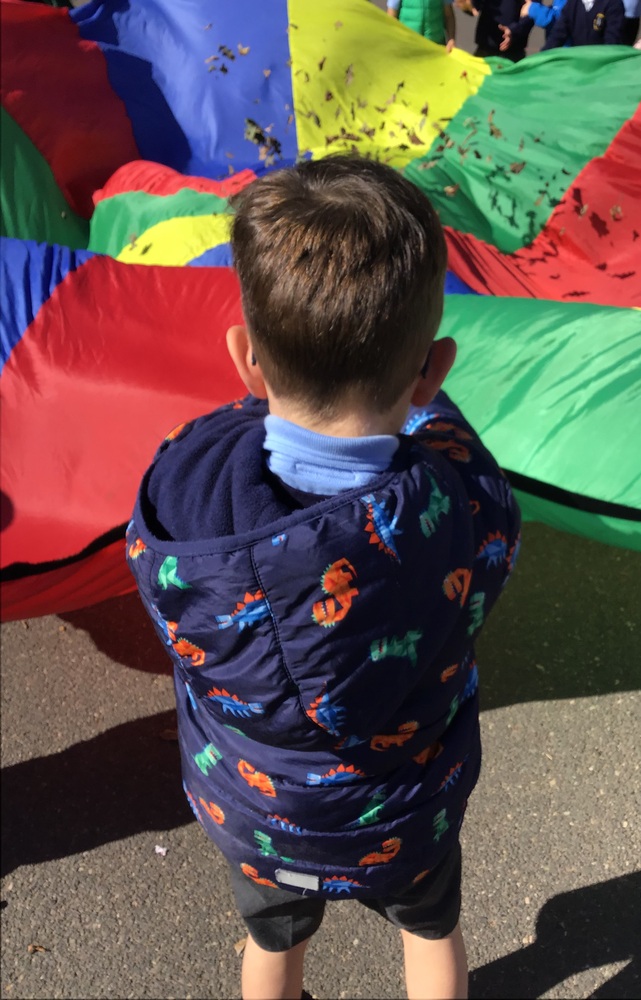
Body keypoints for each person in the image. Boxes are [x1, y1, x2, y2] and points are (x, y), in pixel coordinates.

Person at [126, 154, 521, 1000]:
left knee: (270, 945)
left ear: (245, 359)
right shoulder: (465, 508)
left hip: (260, 819)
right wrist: (432, 410)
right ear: (434, 370)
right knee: (432, 931)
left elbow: (208, 447)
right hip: (406, 811)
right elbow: (473, 489)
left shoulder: (179, 513)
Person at [456, 0, 533, 62]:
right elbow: (474, 7)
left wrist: (513, 30)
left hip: (514, 52)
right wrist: (466, 4)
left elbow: (533, 11)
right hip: (486, 49)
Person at [542, 0, 625, 48]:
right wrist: (543, 56)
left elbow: (612, 41)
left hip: (601, 64)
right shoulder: (572, 4)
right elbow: (557, 35)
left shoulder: (613, 4)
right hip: (578, 62)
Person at [386, 0, 457, 50]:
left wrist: (451, 39)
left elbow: (449, 15)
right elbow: (391, 18)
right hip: (407, 47)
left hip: (435, 45)